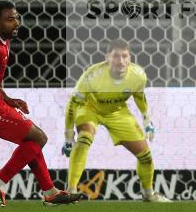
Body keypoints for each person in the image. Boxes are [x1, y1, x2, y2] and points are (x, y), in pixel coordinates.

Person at [0, 0, 82, 207]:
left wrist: (8, 99)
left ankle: (50, 192)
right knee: (39, 137)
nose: (16, 23)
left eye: (16, 18)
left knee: (33, 142)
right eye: (9, 19)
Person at [63, 40, 170, 202]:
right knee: (84, 139)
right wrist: (69, 136)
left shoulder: (138, 76)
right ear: (108, 58)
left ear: (130, 58)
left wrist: (147, 121)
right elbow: (73, 104)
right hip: (90, 108)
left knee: (145, 156)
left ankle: (149, 194)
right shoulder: (93, 75)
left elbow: (139, 97)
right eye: (116, 56)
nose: (120, 61)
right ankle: (70, 191)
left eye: (124, 56)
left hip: (117, 112)